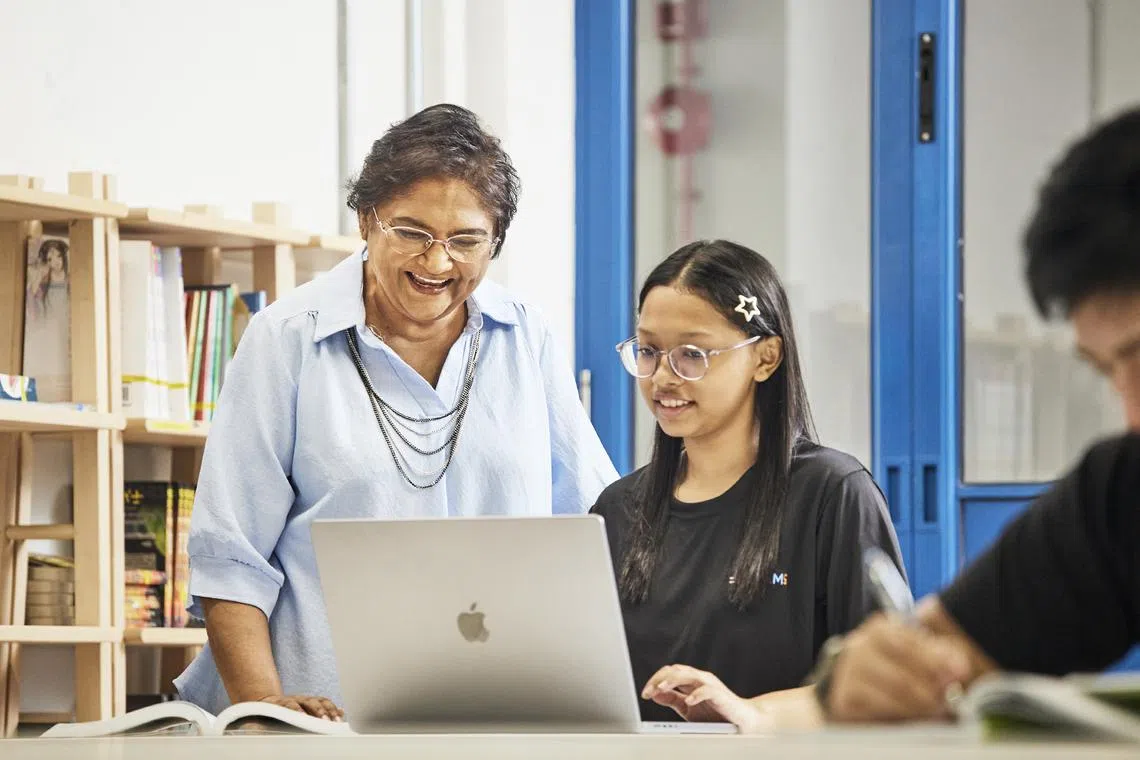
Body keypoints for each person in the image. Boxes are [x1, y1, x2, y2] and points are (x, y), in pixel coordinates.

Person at [174, 104, 619, 720]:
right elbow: (231, 557)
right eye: (411, 232)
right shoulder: (288, 337)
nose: (437, 263)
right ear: (366, 220)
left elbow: (590, 526)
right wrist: (263, 711)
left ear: (496, 242)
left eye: (466, 240)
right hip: (320, 720)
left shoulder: (526, 336)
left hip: (498, 711)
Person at [810, 107, 1140, 723]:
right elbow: (936, 655)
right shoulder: (1121, 494)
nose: (1131, 411)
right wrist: (864, 676)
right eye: (1107, 371)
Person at [588, 240, 906, 731]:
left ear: (766, 358)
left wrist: (750, 713)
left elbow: (885, 687)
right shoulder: (617, 509)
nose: (663, 378)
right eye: (648, 351)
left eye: (692, 354)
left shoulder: (832, 493)